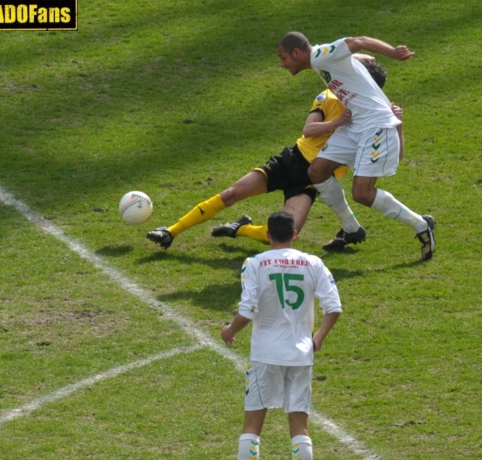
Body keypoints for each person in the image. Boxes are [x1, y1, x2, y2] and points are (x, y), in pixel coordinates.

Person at [146, 60, 392, 251]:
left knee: (283, 235)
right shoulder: (328, 96)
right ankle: (170, 231)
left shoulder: (375, 116)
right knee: (231, 194)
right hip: (290, 162)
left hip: (311, 180)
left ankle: (240, 229)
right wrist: (337, 122)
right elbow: (308, 130)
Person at [277, 32, 437, 260]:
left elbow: (358, 40)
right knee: (317, 171)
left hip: (375, 125)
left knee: (362, 193)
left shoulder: (322, 55)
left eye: (283, 58)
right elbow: (359, 55)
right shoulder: (321, 61)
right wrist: (361, 60)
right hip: (355, 124)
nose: (282, 64)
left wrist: (392, 52)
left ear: (296, 53)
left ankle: (421, 224)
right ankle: (352, 228)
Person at [221, 210, 341, 460]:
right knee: (300, 426)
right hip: (300, 354)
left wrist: (230, 330)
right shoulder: (313, 263)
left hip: (265, 354)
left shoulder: (254, 263)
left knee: (252, 426)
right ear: (295, 234)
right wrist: (318, 336)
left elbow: (246, 311)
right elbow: (333, 307)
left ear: (267, 235)